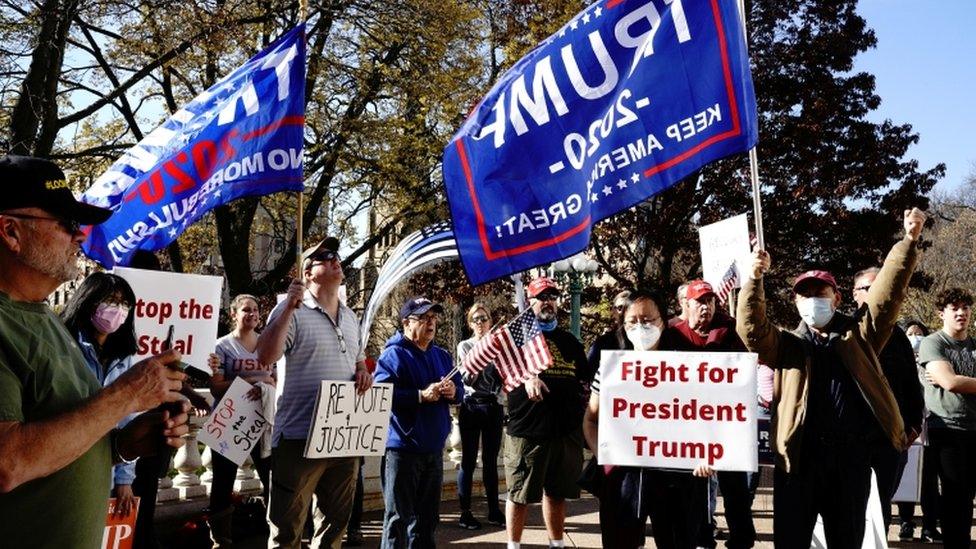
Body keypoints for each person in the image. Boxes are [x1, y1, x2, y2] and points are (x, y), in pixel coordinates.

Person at [0, 155, 190, 548]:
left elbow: (62, 438)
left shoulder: (44, 317)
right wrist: (126, 396)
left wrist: (122, 446)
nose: (80, 236)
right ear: (10, 231)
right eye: (67, 223)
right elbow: (7, 462)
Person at [737, 207, 925, 547]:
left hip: (850, 460)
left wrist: (907, 243)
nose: (812, 301)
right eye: (805, 295)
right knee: (791, 541)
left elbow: (886, 296)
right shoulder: (786, 345)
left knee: (846, 540)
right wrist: (754, 280)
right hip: (798, 462)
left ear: (837, 298)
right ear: (795, 302)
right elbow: (750, 330)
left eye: (820, 294)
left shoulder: (862, 336)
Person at [256, 236, 373, 549]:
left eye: (336, 254)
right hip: (299, 438)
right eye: (325, 256)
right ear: (307, 273)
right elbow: (265, 357)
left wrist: (363, 374)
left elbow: (359, 362)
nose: (336, 259)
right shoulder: (291, 312)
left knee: (335, 527)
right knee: (286, 531)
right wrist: (287, 309)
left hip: (343, 438)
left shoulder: (350, 318)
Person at [582, 289, 718, 548]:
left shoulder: (690, 368)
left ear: (662, 322)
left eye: (648, 320)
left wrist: (707, 453)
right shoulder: (610, 369)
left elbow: (709, 418)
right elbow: (591, 420)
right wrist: (603, 453)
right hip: (625, 478)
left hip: (677, 477)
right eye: (633, 321)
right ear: (623, 325)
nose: (641, 326)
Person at [659, 281, 756, 549]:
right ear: (686, 305)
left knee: (734, 484)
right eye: (700, 301)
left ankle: (742, 538)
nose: (706, 307)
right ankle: (701, 537)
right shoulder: (670, 333)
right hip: (688, 425)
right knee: (696, 487)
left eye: (710, 301)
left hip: (726, 423)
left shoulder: (729, 330)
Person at [505, 277, 588, 549]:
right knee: (520, 495)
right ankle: (513, 545)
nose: (548, 302)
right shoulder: (515, 338)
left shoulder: (569, 341)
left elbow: (585, 380)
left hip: (564, 431)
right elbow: (493, 376)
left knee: (557, 494)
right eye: (542, 297)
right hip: (528, 431)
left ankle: (557, 544)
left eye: (552, 296)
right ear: (529, 302)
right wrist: (524, 377)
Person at [374, 296, 463, 548]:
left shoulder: (442, 355)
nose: (431, 323)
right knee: (398, 519)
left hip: (434, 451)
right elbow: (380, 394)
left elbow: (461, 390)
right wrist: (419, 396)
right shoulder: (393, 355)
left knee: (427, 520)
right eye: (423, 318)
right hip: (402, 450)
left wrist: (453, 392)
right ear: (406, 323)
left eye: (433, 318)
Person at [61, 273, 145, 520]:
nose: (118, 309)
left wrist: (124, 478)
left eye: (124, 304)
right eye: (111, 300)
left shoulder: (125, 358)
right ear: (89, 301)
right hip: (63, 465)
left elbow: (128, 418)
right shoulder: (64, 346)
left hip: (104, 471)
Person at [851, 267, 925, 533]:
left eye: (882, 286)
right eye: (869, 288)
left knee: (879, 502)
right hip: (851, 439)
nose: (877, 293)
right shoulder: (844, 333)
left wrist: (913, 426)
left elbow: (911, 385)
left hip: (890, 438)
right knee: (851, 505)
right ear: (854, 294)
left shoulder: (899, 337)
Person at [207, 294, 275, 547]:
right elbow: (215, 387)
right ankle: (220, 540)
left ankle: (276, 534)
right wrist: (251, 382)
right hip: (230, 421)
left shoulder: (269, 344)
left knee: (270, 478)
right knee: (223, 480)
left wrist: (268, 386)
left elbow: (277, 380)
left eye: (256, 310)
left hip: (262, 420)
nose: (253, 314)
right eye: (246, 310)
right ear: (234, 314)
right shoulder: (221, 346)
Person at [918, 288, 976, 548]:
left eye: (965, 307)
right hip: (946, 430)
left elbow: (954, 381)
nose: (961, 313)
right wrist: (953, 380)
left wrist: (963, 382)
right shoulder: (933, 342)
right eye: (955, 308)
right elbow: (949, 382)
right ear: (942, 313)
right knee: (957, 499)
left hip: (974, 429)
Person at [456, 303, 505, 529]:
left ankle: (494, 510)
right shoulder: (465, 346)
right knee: (468, 460)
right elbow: (467, 379)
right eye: (475, 319)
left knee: (490, 461)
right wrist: (481, 356)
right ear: (469, 323)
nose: (480, 323)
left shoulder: (498, 346)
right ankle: (465, 512)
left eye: (484, 318)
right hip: (471, 406)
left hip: (492, 407)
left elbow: (504, 377)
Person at [896, 319, 942, 543]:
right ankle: (906, 522)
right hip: (909, 428)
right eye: (910, 333)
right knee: (906, 479)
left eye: (919, 332)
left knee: (929, 482)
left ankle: (930, 526)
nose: (915, 336)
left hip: (931, 427)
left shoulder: (934, 362)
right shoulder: (899, 362)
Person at [586, 290, 632, 381]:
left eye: (628, 308)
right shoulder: (602, 343)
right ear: (613, 311)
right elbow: (589, 374)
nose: (623, 312)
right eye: (620, 308)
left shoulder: (644, 339)